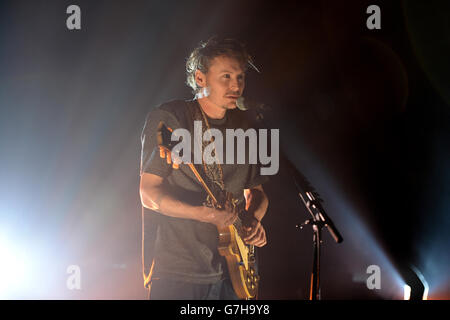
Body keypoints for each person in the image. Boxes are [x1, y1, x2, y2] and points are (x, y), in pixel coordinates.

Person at [139, 37, 269, 300]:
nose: (236, 85)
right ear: (200, 78)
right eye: (226, 76)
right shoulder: (173, 118)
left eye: (240, 77)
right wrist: (203, 215)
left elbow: (256, 191)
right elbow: (148, 194)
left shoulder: (244, 126)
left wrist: (254, 219)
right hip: (180, 270)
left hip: (236, 271)